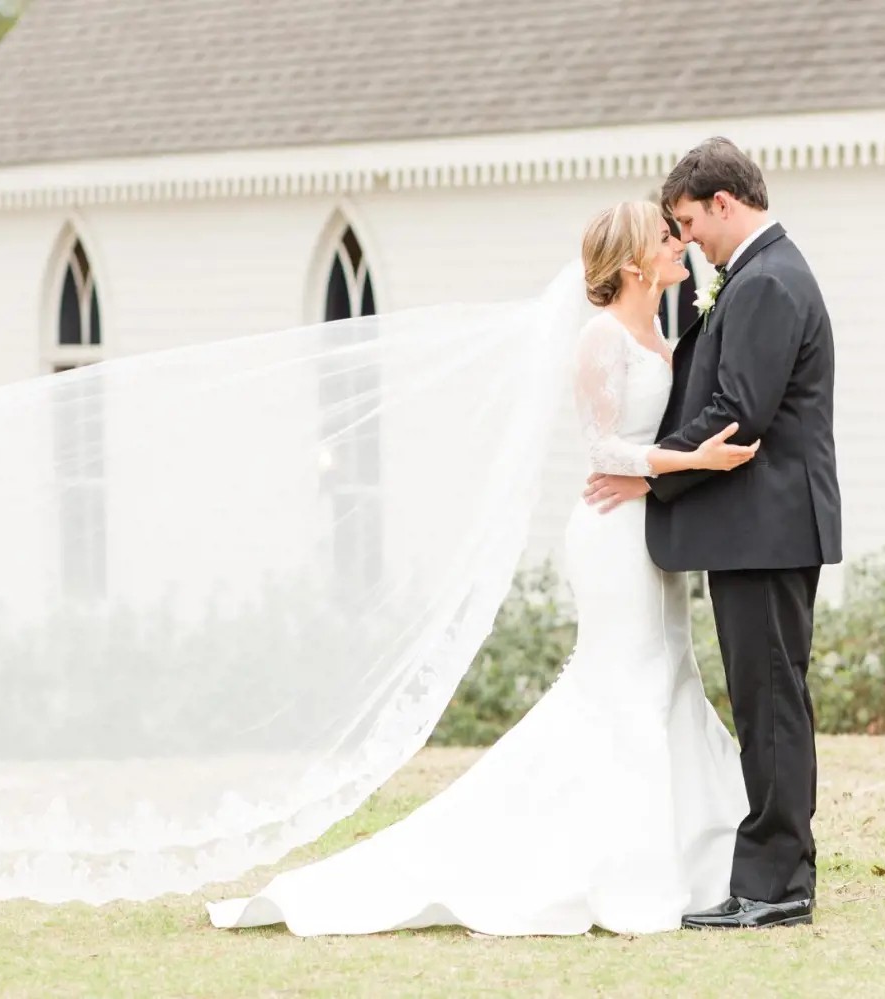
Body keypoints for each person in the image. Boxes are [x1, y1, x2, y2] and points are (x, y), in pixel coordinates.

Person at [205, 200, 754, 936]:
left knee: (670, 676)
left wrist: (673, 472)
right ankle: (622, 867)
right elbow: (600, 451)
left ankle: (703, 860)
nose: (678, 244)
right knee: (623, 686)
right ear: (631, 263)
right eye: (664, 237)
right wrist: (690, 460)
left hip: (655, 533)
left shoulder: (662, 336)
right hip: (609, 535)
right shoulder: (599, 339)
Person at [586, 138, 842, 929]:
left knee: (769, 703)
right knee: (769, 698)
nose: (686, 236)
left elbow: (736, 413)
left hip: (762, 529)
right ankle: (775, 872)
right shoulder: (762, 273)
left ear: (724, 203)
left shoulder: (765, 281)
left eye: (691, 219)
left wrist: (652, 474)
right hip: (757, 529)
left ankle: (774, 886)